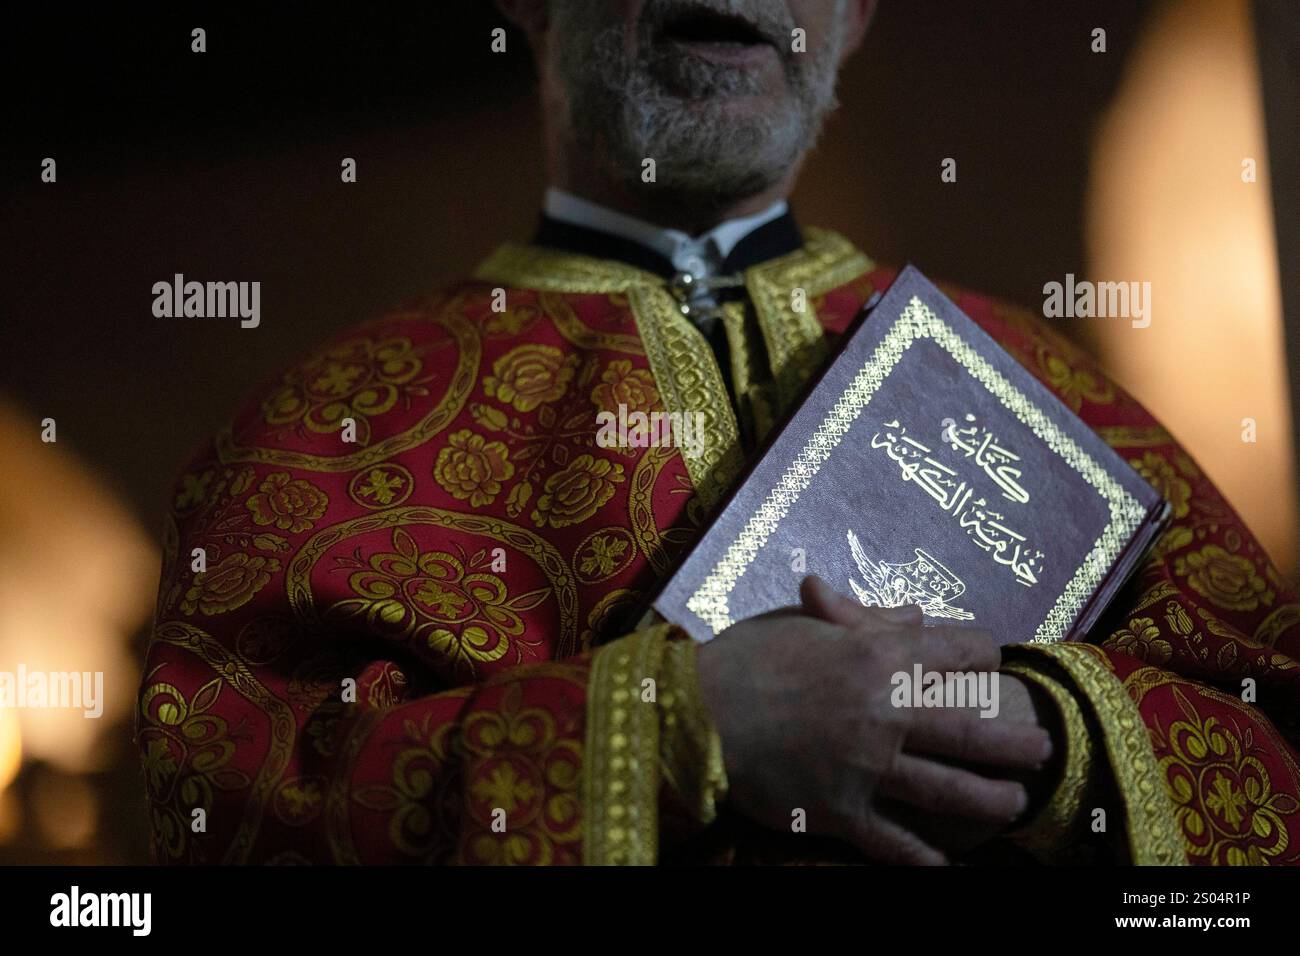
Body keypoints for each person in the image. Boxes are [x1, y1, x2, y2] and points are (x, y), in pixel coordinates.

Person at [137, 0, 1300, 865]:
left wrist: (1037, 725)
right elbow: (223, 797)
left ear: (852, 18)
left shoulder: (1050, 384)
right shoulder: (331, 424)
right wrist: (683, 728)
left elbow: (1273, 749)